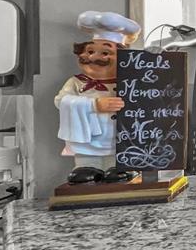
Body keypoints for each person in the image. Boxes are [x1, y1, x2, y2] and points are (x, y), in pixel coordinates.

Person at [55, 11, 140, 180]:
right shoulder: (77, 82)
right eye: (90, 51)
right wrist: (94, 105)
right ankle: (88, 167)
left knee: (117, 172)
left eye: (105, 53)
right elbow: (61, 101)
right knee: (86, 172)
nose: (93, 57)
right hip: (88, 140)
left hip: (119, 141)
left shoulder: (129, 81)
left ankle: (120, 168)